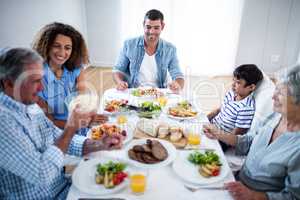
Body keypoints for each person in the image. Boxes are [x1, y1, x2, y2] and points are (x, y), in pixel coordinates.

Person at [0, 48, 123, 199]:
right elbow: (42, 174)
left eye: (41, 79)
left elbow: (56, 136)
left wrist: (98, 144)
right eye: (35, 81)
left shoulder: (29, 105)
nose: (42, 88)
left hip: (63, 188)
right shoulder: (4, 122)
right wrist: (71, 128)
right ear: (9, 84)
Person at [204, 64, 300, 200]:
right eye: (276, 90)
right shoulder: (275, 117)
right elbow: (249, 141)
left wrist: (254, 196)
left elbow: (293, 196)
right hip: (237, 180)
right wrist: (218, 133)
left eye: (281, 93)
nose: (273, 97)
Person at [32, 22, 106, 134]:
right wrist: (82, 123)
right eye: (57, 46)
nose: (62, 52)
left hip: (80, 124)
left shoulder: (76, 68)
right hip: (58, 131)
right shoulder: (37, 78)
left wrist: (88, 113)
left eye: (67, 48)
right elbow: (50, 122)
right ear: (47, 46)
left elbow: (82, 99)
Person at [113, 9, 184, 93]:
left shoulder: (170, 49)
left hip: (159, 93)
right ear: (143, 25)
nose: (151, 32)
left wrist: (177, 84)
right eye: (148, 27)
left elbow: (178, 75)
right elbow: (118, 70)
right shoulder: (128, 45)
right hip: (135, 92)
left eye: (156, 28)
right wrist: (120, 82)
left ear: (163, 26)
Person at [206, 64, 263, 151]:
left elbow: (235, 136)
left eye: (238, 82)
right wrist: (204, 119)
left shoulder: (246, 108)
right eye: (233, 80)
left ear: (251, 87)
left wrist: (215, 135)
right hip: (212, 127)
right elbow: (219, 110)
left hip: (222, 139)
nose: (233, 85)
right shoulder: (231, 93)